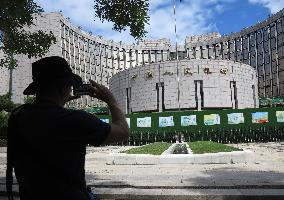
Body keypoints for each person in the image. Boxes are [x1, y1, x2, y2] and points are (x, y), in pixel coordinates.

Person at [6, 56, 130, 200]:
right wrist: (111, 101)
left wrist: (59, 104)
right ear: (63, 87)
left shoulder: (19, 116)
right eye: (69, 86)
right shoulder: (76, 119)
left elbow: (47, 119)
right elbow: (123, 132)